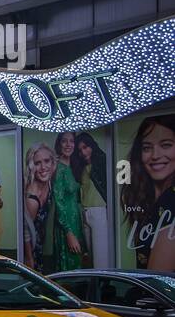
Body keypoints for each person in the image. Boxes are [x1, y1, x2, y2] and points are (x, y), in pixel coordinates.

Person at [122, 113, 175, 271]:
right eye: (147, 148)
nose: (155, 156)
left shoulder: (171, 202)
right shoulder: (146, 198)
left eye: (166, 145)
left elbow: (156, 283)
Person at [72, 131, 110, 267]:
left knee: (101, 258)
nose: (83, 152)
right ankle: (97, 285)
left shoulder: (102, 161)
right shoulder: (82, 167)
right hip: (85, 212)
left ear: (92, 145)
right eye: (80, 150)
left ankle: (104, 286)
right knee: (93, 258)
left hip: (99, 211)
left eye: (86, 147)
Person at [49, 131, 85, 272]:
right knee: (69, 269)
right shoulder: (58, 169)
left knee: (79, 264)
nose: (68, 144)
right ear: (59, 144)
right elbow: (58, 202)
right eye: (64, 141)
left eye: (72, 141)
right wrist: (69, 233)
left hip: (77, 222)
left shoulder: (74, 166)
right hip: (65, 225)